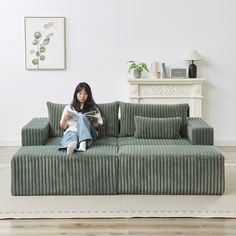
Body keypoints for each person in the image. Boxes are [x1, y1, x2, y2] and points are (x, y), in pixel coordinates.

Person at [58, 82, 103, 155]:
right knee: (71, 135)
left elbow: (98, 125)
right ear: (76, 94)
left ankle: (82, 144)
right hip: (73, 130)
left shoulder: (94, 108)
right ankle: (72, 146)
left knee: (82, 118)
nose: (82, 96)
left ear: (89, 95)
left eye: (85, 94)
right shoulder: (68, 108)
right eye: (80, 93)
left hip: (89, 132)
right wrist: (65, 119)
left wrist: (90, 123)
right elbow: (63, 127)